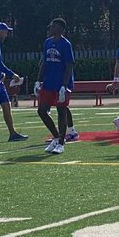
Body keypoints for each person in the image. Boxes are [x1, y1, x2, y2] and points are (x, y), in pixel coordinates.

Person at [0, 22, 30, 142]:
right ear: (0, 32)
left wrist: (2, 74)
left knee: (6, 105)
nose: (6, 35)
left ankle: (12, 133)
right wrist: (11, 74)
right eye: (6, 32)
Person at [36, 17, 75, 154]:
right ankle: (56, 136)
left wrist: (64, 85)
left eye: (54, 26)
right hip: (48, 82)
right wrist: (38, 80)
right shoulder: (47, 42)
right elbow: (44, 63)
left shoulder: (66, 44)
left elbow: (69, 66)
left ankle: (61, 143)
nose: (51, 28)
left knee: (61, 111)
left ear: (60, 29)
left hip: (61, 83)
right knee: (41, 110)